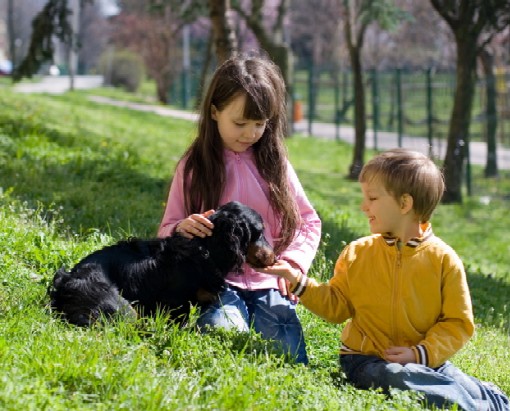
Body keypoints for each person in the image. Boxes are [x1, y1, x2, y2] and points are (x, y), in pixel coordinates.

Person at [261, 149, 509, 410]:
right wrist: (297, 280)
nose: (363, 205)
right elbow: (335, 307)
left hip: (426, 360)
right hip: (367, 361)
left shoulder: (444, 260)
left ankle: (492, 400)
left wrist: (418, 354)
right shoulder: (358, 253)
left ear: (404, 204)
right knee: (401, 377)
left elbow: (457, 323)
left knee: (452, 380)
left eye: (372, 198)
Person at [158, 54, 321, 365]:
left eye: (260, 124)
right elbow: (168, 227)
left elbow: (309, 222)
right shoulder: (194, 167)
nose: (250, 134)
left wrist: (292, 264)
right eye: (240, 123)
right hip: (216, 283)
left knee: (288, 358)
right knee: (225, 339)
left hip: (269, 283)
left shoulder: (275, 165)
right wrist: (182, 229)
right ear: (215, 111)